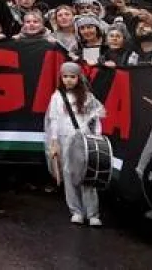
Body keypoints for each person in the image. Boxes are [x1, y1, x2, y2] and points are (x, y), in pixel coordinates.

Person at [44, 60, 106, 227]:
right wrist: (54, 141)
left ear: (79, 77)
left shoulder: (87, 96)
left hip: (84, 139)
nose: (68, 80)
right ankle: (76, 211)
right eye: (65, 76)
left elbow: (96, 118)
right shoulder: (57, 96)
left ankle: (92, 213)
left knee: (87, 174)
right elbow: (54, 120)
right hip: (64, 139)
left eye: (72, 76)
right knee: (68, 174)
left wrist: (97, 137)